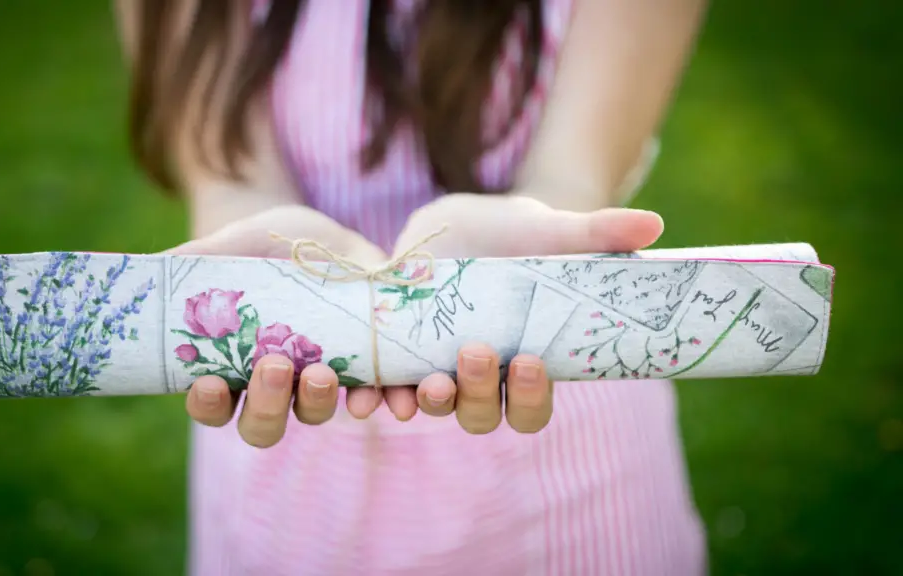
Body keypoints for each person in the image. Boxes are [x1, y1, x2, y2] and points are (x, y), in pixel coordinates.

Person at [115, 0, 708, 573]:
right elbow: (231, 182)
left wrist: (512, 251)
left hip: (541, 376)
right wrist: (278, 272)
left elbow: (572, 175)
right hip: (292, 396)